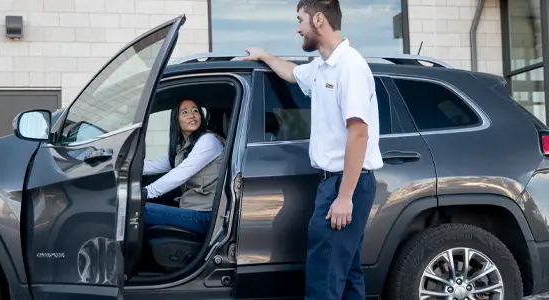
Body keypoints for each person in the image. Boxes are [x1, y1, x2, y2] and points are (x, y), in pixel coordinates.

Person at [242, 0, 383, 299]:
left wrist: (344, 196)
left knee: (323, 280)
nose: (298, 28)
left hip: (345, 184)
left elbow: (359, 134)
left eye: (300, 20)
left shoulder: (350, 67)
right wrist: (265, 56)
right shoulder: (322, 67)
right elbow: (293, 74)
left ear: (318, 19)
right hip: (336, 183)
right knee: (345, 275)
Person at [142, 99, 225, 235]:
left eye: (195, 111)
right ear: (177, 121)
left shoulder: (209, 141)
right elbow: (155, 165)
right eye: (185, 112)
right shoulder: (185, 147)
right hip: (192, 208)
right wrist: (122, 165)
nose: (192, 115)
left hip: (206, 216)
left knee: (138, 210)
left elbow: (179, 175)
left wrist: (144, 193)